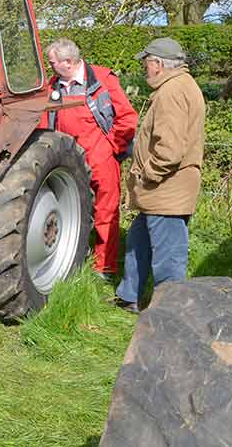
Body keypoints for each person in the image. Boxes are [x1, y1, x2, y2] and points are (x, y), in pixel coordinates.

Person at [114, 37, 205, 313]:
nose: (145, 68)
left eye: (147, 63)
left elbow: (170, 149)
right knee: (137, 242)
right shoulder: (178, 85)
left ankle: (169, 311)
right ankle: (129, 296)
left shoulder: (172, 92)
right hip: (162, 189)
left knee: (168, 256)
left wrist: (147, 174)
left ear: (158, 64)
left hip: (166, 187)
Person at [45, 38, 138, 279]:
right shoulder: (52, 86)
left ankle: (104, 267)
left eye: (52, 61)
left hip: (100, 155)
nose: (49, 65)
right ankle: (69, 260)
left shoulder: (102, 80)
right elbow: (44, 121)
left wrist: (112, 148)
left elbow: (128, 118)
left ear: (68, 62)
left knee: (106, 210)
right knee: (68, 208)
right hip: (65, 159)